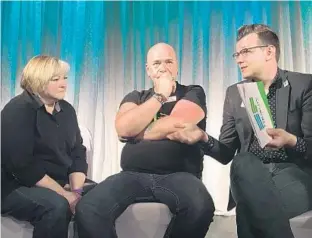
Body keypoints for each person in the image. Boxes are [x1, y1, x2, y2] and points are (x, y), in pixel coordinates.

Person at [166, 24, 312, 238]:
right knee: (243, 161)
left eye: (246, 52)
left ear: (269, 51)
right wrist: (203, 137)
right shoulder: (235, 93)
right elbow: (226, 153)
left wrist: (290, 140)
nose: (238, 59)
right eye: (237, 53)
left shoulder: (303, 85)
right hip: (249, 172)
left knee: (248, 209)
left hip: (294, 174)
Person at [75, 43, 215, 238]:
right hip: (132, 175)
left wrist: (137, 131)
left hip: (179, 175)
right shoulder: (136, 96)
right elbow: (123, 128)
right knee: (88, 208)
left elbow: (178, 124)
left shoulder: (192, 92)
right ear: (148, 70)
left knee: (200, 206)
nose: (163, 67)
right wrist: (160, 96)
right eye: (157, 63)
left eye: (168, 62)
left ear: (176, 66)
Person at [1, 55, 95, 238]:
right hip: (15, 186)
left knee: (101, 198)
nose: (63, 84)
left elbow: (77, 151)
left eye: (65, 78)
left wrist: (75, 191)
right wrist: (64, 195)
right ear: (38, 81)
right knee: (56, 206)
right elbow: (22, 165)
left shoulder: (67, 110)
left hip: (60, 182)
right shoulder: (18, 110)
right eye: (56, 79)